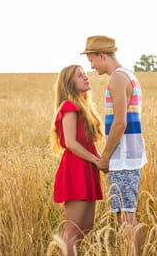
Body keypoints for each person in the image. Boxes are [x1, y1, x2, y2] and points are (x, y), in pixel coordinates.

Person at [81, 35, 148, 255]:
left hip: (125, 157)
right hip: (130, 155)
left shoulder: (117, 79)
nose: (91, 66)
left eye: (92, 60)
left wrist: (105, 157)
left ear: (102, 56)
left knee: (126, 216)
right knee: (124, 213)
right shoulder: (129, 75)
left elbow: (120, 123)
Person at [51, 64, 104, 256]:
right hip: (76, 168)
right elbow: (72, 143)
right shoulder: (69, 106)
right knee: (73, 230)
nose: (86, 77)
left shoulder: (85, 106)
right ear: (69, 83)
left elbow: (89, 142)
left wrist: (101, 160)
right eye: (80, 76)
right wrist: (96, 161)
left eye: (85, 74)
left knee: (86, 226)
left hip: (87, 167)